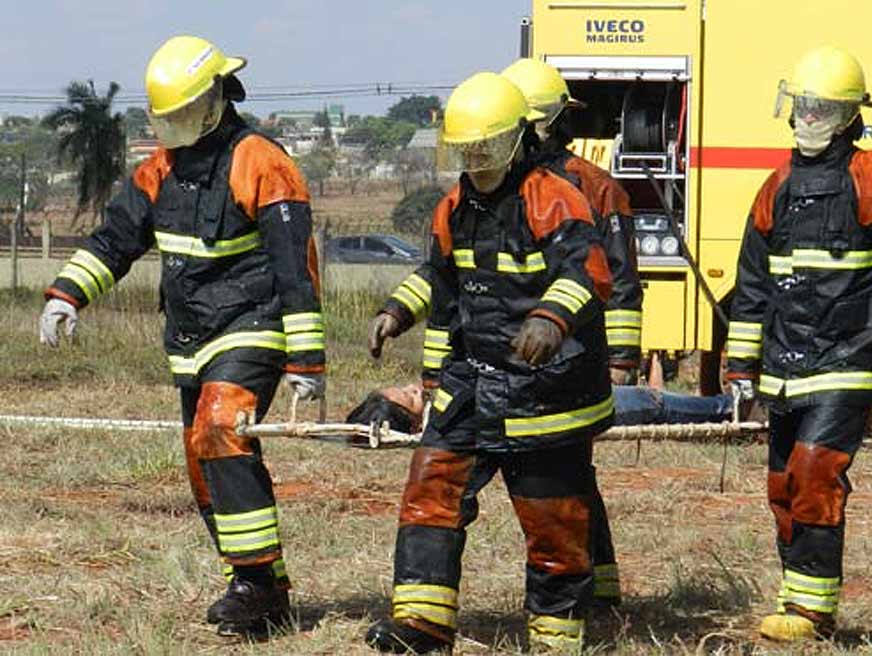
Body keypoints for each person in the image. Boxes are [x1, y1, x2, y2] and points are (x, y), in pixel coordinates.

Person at [38, 36, 325, 636]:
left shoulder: (262, 162)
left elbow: (296, 268)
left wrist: (306, 359)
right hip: (190, 337)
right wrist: (67, 293)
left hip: (254, 327)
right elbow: (116, 240)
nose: (175, 127)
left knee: (221, 428)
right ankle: (262, 588)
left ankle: (252, 582)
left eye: (183, 115)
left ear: (215, 101)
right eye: (165, 118)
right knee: (204, 460)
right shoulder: (159, 170)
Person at [364, 72, 613, 654]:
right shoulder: (454, 207)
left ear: (519, 139)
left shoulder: (555, 197)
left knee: (553, 517)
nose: (476, 162)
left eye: (486, 149)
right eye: (466, 151)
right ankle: (421, 624)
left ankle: (556, 636)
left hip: (548, 390)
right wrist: (397, 311)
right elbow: (440, 275)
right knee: (432, 489)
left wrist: (551, 319)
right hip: (473, 382)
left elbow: (588, 272)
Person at [724, 46, 872, 642]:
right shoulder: (775, 189)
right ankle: (797, 596)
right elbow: (752, 288)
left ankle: (813, 614)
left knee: (815, 473)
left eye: (821, 109)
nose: (807, 118)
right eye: (802, 106)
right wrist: (740, 367)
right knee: (783, 485)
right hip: (786, 367)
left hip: (850, 358)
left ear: (847, 116)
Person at [501, 56, 644, 611]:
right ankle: (595, 584)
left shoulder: (592, 186)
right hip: (509, 358)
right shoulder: (497, 188)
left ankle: (589, 588)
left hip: (572, 356)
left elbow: (621, 278)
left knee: (564, 475)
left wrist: (621, 359)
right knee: (565, 476)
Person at [349, 384, 733, 432]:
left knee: (650, 398)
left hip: (555, 395)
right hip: (564, 407)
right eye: (409, 396)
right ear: (413, 422)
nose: (414, 388)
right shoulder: (447, 421)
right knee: (653, 402)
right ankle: (725, 407)